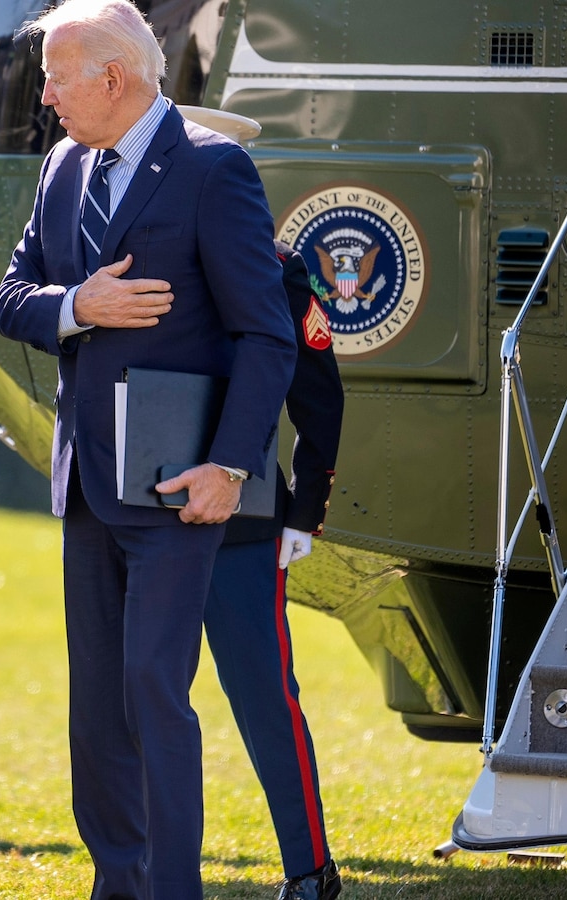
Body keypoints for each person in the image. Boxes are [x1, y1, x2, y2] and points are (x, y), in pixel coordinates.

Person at [0, 2, 297, 897]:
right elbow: (14, 297)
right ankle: (115, 886)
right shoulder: (58, 169)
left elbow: (266, 336)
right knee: (97, 713)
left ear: (111, 79)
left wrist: (231, 468)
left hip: (178, 488)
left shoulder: (214, 169)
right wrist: (76, 306)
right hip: (86, 486)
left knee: (151, 692)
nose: (45, 96)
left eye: (55, 76)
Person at [205, 240, 344, 900]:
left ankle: (309, 869)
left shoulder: (268, 260)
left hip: (246, 519)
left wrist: (305, 508)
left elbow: (316, 390)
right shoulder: (122, 237)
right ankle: (134, 867)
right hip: (141, 512)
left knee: (265, 699)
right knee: (135, 699)